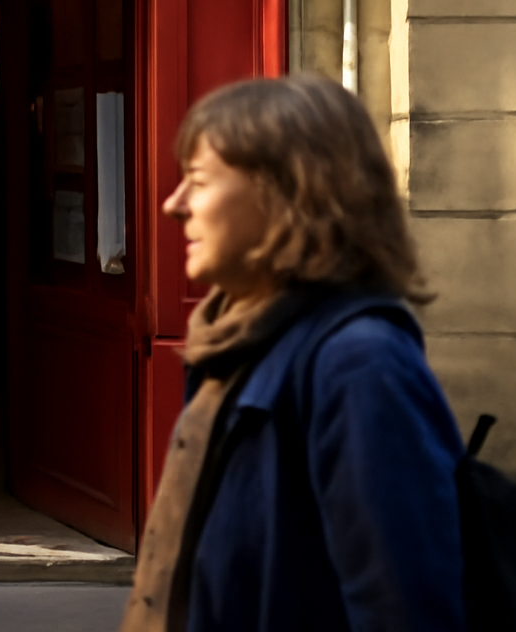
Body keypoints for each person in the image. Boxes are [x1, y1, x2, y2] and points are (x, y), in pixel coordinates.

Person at [121, 74, 466, 632]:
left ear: (288, 194)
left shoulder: (360, 365)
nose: (172, 204)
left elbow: (404, 605)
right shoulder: (235, 343)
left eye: (199, 181)